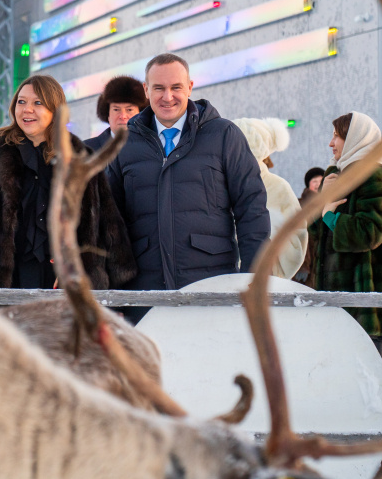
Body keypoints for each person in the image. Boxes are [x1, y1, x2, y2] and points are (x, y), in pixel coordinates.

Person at [106, 53, 270, 323]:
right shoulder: (124, 145)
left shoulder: (223, 136)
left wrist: (254, 279)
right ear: (146, 90)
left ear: (190, 87)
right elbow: (109, 224)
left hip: (211, 287)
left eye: (176, 88)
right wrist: (113, 294)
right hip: (145, 292)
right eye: (158, 88)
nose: (167, 96)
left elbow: (252, 210)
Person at [0, 74, 135, 289]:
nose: (27, 110)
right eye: (22, 102)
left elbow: (104, 224)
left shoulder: (80, 158)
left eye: (38, 103)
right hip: (3, 281)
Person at [307, 111, 382, 479]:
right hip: (341, 303)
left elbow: (369, 233)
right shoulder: (343, 176)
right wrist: (324, 200)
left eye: (337, 136)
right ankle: (354, 462)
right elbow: (316, 232)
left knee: (377, 389)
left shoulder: (375, 176)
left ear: (358, 138)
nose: (331, 143)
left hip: (367, 304)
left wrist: (331, 217)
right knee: (348, 387)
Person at [234, 118, 307, 279]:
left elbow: (297, 239)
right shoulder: (219, 185)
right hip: (223, 281)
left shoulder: (278, 187)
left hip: (266, 280)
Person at [84, 75, 148, 152]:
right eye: (116, 109)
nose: (123, 116)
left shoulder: (157, 148)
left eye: (129, 110)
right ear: (107, 114)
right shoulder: (87, 151)